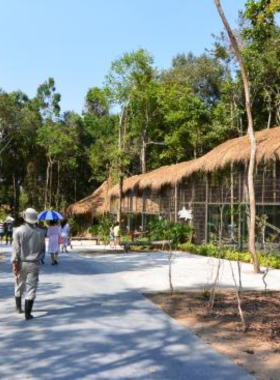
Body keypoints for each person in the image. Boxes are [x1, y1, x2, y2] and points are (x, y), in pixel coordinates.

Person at [11, 208, 44, 320]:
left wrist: (14, 263)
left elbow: (15, 250)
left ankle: (18, 308)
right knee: (31, 288)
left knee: (19, 284)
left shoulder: (18, 231)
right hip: (34, 263)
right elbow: (42, 251)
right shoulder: (40, 233)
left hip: (20, 262)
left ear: (25, 217)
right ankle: (28, 314)